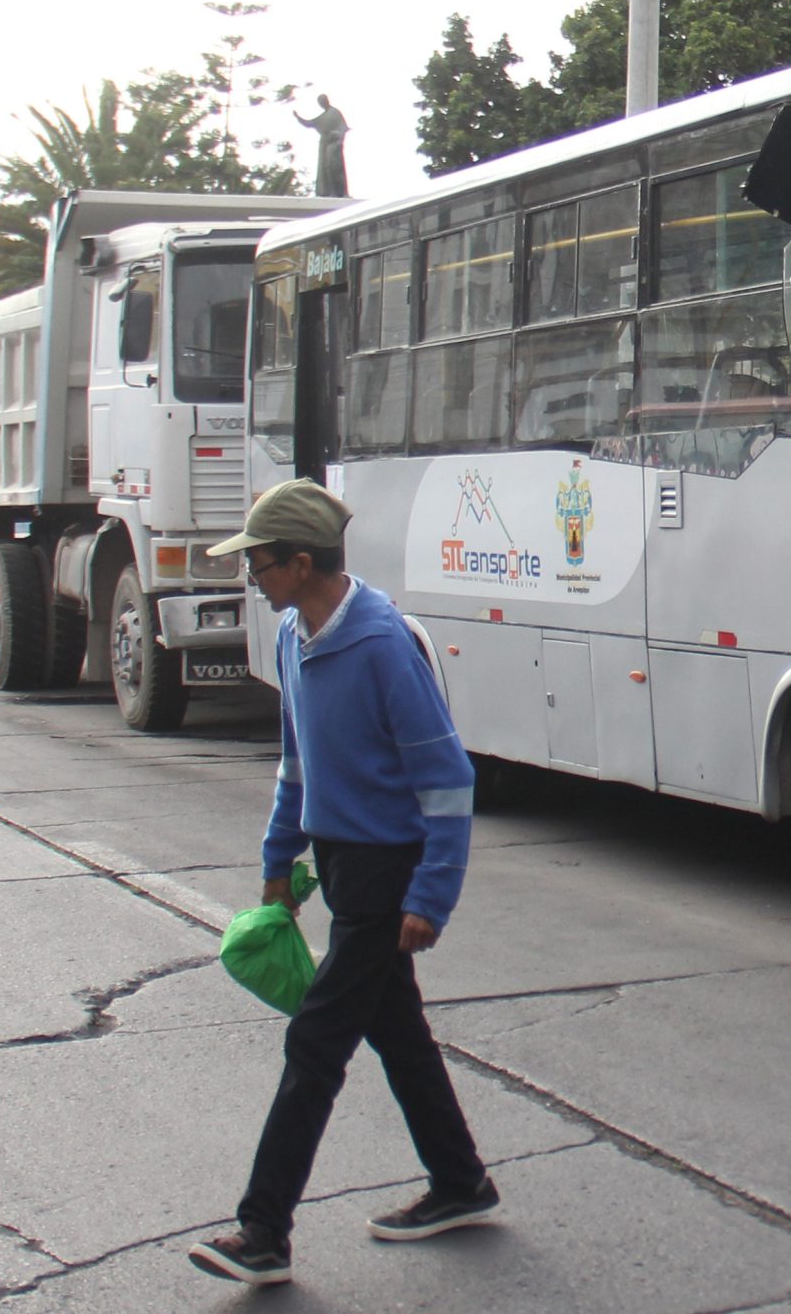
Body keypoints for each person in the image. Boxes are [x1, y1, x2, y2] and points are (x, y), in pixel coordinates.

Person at [187, 479, 493, 1288]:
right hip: (339, 866)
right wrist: (278, 865)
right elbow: (297, 764)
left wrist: (431, 897)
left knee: (316, 1044)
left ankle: (263, 1231)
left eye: (257, 561)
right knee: (399, 1034)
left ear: (299, 562)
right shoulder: (294, 635)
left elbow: (448, 780)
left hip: (387, 875)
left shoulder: (384, 646)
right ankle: (461, 1182)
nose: (249, 574)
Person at [295, 94, 351, 198]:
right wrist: (298, 117)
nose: (322, 103)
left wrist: (337, 134)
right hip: (325, 143)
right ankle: (330, 191)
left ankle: (341, 192)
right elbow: (310, 123)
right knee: (326, 168)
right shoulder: (323, 116)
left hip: (334, 143)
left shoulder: (335, 113)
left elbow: (343, 127)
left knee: (335, 166)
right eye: (320, 102)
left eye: (323, 101)